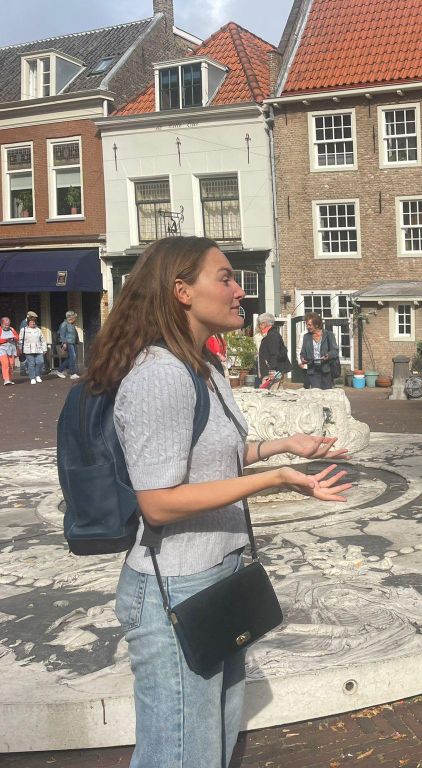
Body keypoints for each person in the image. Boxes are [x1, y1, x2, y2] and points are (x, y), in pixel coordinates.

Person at [86, 236, 353, 767]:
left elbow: (212, 456)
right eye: (226, 278)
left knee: (215, 744)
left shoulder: (203, 369)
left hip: (220, 574)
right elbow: (159, 502)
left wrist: (283, 446)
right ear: (182, 291)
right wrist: (273, 479)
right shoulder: (160, 376)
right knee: (182, 755)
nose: (239, 292)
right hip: (175, 587)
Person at [299, 313, 338, 390]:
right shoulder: (306, 337)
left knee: (327, 395)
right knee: (315, 394)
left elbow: (335, 351)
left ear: (316, 325)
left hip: (326, 370)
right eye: (307, 325)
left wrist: (328, 355)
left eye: (310, 325)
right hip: (313, 371)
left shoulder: (329, 335)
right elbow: (302, 352)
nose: (307, 327)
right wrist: (303, 358)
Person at [257, 312, 290, 386]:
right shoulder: (272, 334)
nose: (259, 326)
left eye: (260, 324)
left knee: (271, 394)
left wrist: (272, 371)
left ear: (264, 324)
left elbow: (274, 353)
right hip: (273, 372)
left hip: (272, 373)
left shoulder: (272, 335)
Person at [19, 314, 47, 385]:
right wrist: (20, 349)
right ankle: (32, 378)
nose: (33, 323)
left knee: (40, 362)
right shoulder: (23, 330)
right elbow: (20, 340)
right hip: (28, 349)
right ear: (28, 322)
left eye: (34, 322)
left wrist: (44, 349)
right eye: (31, 322)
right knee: (31, 364)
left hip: (38, 348)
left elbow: (43, 340)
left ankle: (38, 375)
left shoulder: (38, 330)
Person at [55, 311, 80, 379]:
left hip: (73, 342)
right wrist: (64, 343)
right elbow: (62, 335)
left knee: (70, 358)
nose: (75, 318)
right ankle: (72, 373)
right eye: (74, 317)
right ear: (71, 317)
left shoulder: (72, 325)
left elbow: (74, 334)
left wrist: (77, 341)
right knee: (73, 357)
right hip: (68, 343)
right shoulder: (64, 324)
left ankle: (59, 370)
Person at [0, 316, 18, 385]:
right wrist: (6, 340)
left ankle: (10, 379)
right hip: (2, 349)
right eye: (5, 325)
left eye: (8, 324)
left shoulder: (12, 329)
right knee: (5, 363)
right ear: (1, 324)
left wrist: (14, 338)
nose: (7, 326)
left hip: (11, 348)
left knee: (11, 364)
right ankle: (6, 379)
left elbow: (17, 337)